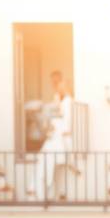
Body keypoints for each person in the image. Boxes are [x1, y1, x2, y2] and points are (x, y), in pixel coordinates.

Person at [38, 71, 75, 199]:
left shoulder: (67, 101)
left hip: (59, 141)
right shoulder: (60, 102)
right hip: (55, 141)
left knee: (50, 168)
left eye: (57, 82)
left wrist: (56, 131)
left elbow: (65, 121)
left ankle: (53, 194)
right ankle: (49, 193)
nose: (55, 84)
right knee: (47, 168)